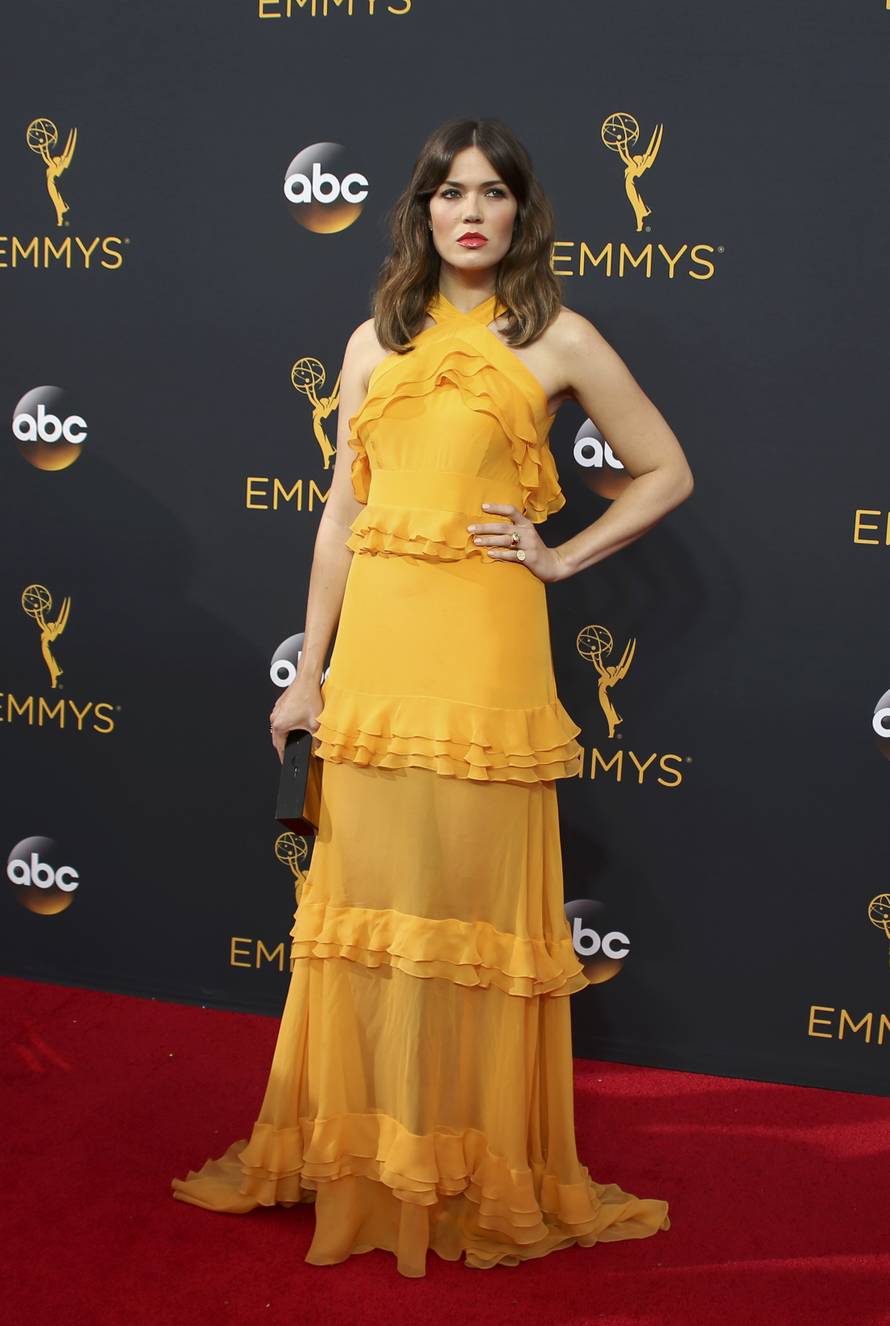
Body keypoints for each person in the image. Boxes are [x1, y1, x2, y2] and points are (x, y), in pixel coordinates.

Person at [171, 116, 693, 1277]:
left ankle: (467, 1166)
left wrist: (558, 555)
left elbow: (665, 468)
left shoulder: (558, 337)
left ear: (519, 213)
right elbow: (341, 518)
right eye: (449, 192)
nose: (470, 211)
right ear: (421, 212)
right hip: (379, 654)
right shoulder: (370, 344)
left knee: (461, 905)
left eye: (491, 193)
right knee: (372, 907)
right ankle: (366, 1160)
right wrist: (308, 670)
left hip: (482, 646)